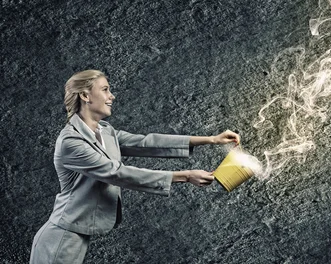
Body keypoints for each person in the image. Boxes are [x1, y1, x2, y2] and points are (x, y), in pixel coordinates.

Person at [30, 70, 240, 264]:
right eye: (105, 90)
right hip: (60, 238)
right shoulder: (71, 142)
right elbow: (116, 173)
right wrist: (184, 176)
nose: (112, 96)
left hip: (76, 233)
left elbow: (145, 142)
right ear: (85, 96)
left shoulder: (105, 131)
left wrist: (211, 139)